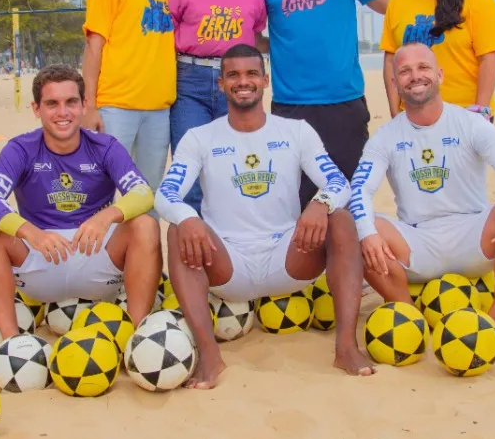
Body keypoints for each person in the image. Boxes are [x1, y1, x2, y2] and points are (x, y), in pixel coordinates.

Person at [155, 44, 375, 388]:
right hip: (228, 264)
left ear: (265, 80)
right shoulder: (200, 138)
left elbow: (337, 182)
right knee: (177, 229)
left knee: (341, 218)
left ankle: (346, 346)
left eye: (251, 74)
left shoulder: (295, 131)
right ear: (221, 84)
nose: (243, 81)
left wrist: (321, 203)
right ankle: (210, 355)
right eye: (233, 75)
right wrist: (188, 217)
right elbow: (165, 194)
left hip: (288, 258)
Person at [351, 42, 495, 339]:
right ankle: (409, 316)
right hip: (417, 242)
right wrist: (367, 232)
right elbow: (359, 190)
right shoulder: (385, 137)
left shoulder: (471, 124)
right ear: (394, 82)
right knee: (356, 227)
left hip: (474, 237)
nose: (415, 76)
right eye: (405, 71)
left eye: (423, 67)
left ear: (440, 75)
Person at [0, 64, 162, 339]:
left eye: (71, 102)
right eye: (52, 104)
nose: (63, 113)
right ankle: (12, 342)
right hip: (40, 260)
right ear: (37, 109)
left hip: (97, 258)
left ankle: (136, 336)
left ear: (84, 105)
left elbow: (143, 192)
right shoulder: (20, 148)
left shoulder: (105, 146)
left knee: (145, 225)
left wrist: (106, 217)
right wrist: (30, 232)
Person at [248, 0, 392, 207]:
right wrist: (279, 45)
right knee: (293, 207)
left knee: (352, 204)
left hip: (344, 101)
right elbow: (249, 32)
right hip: (290, 106)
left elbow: (391, 6)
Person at [167, 0, 268, 214]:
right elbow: (163, 40)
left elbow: (258, 38)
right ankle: (192, 251)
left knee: (234, 168)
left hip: (237, 82)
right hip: (190, 82)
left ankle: (232, 249)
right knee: (190, 172)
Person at [80, 0, 175, 188]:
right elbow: (94, 46)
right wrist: (89, 106)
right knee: (101, 191)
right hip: (115, 107)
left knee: (147, 195)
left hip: (159, 111)